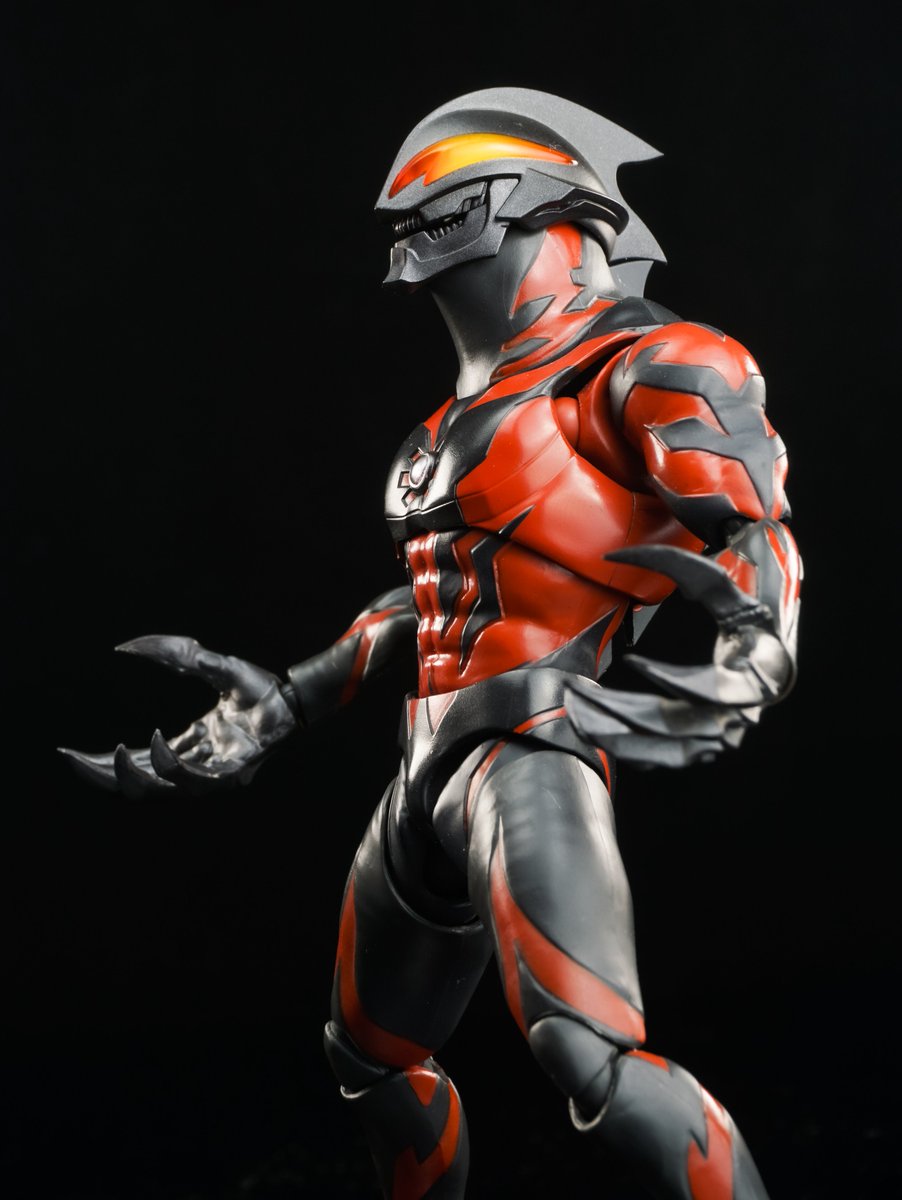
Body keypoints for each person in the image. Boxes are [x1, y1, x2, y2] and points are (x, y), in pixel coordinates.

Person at [62, 88, 801, 1199]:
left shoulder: (651, 363)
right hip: (424, 769)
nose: (413, 222)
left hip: (530, 757)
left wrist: (754, 655)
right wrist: (289, 700)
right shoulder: (454, 422)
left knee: (594, 1061)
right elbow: (433, 598)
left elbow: (755, 529)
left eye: (450, 191)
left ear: (542, 206)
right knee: (369, 1056)